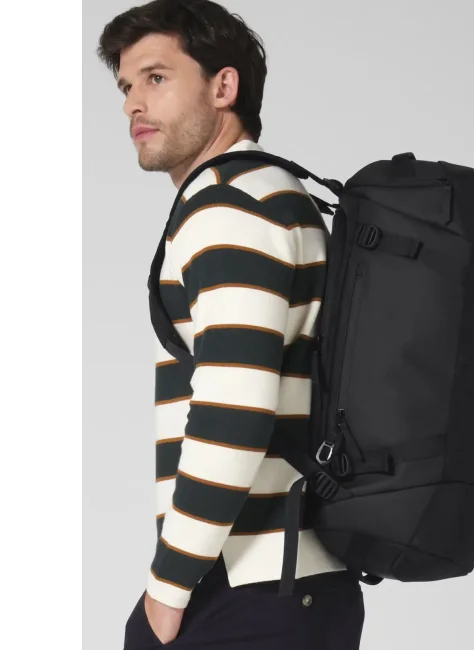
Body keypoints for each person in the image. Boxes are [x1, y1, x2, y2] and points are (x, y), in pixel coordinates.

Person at [96, 1, 365, 648]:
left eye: (157, 77)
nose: (133, 103)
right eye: (126, 86)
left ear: (224, 87)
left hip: (247, 590)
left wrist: (167, 589)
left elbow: (234, 411)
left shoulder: (230, 210)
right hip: (295, 583)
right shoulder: (274, 194)